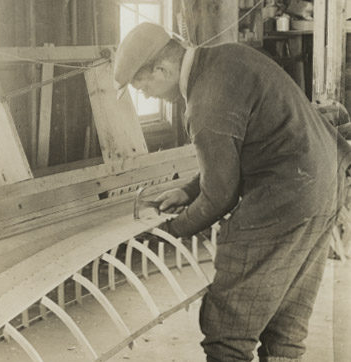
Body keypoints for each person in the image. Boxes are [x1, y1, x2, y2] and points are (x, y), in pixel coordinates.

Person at [113, 22, 351, 362]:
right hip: (324, 185)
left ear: (162, 69)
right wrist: (188, 191)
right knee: (285, 329)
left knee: (228, 331)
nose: (147, 95)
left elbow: (220, 197)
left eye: (143, 85)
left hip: (286, 197)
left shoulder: (204, 103)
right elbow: (236, 151)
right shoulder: (229, 56)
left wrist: (166, 232)